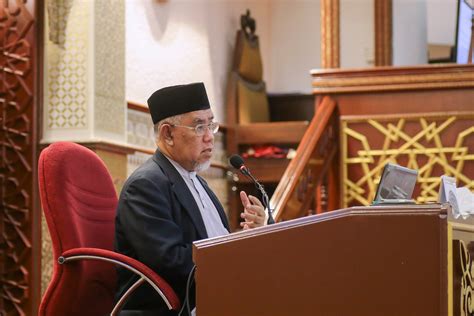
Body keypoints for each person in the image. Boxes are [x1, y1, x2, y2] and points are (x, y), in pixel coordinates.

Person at [115, 82, 267, 315]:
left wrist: (250, 235)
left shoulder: (197, 182)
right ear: (168, 134)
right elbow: (172, 262)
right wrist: (235, 258)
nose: (209, 138)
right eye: (198, 127)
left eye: (211, 125)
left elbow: (215, 243)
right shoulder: (146, 186)